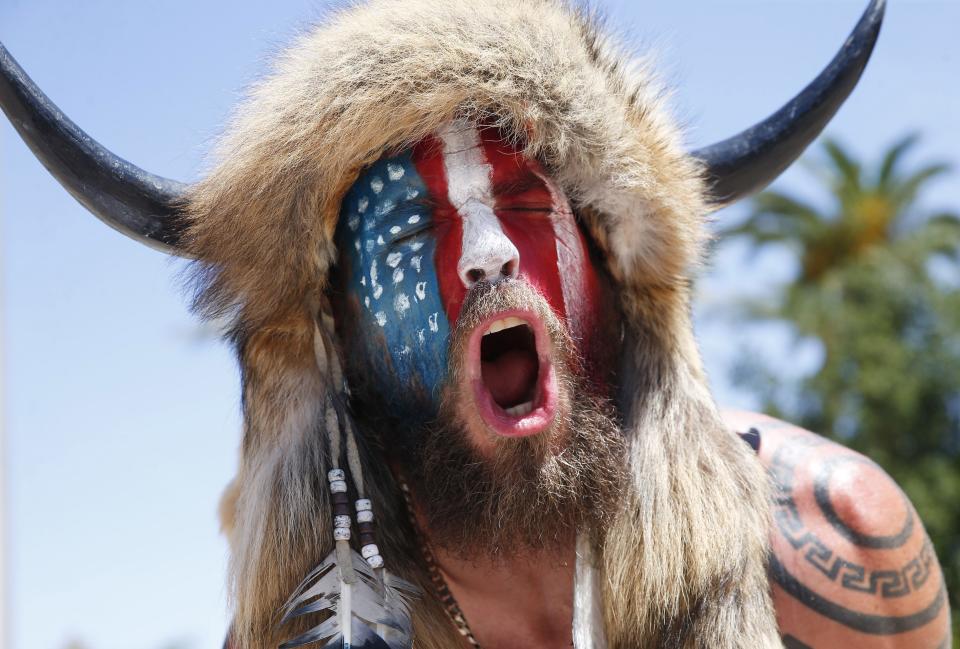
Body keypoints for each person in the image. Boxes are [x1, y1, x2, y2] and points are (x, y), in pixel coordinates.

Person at [0, 0, 950, 647]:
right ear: (342, 333)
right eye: (416, 231)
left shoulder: (837, 547)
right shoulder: (329, 622)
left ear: (612, 278)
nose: (489, 252)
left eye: (529, 209)